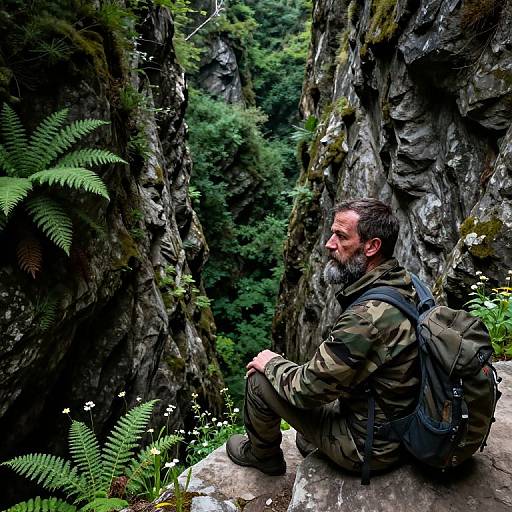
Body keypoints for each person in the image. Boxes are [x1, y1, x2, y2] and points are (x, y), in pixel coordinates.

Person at [226, 198, 420, 477]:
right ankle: (321, 438)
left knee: (259, 380)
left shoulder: (366, 318)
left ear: (372, 246)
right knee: (313, 394)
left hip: (370, 449)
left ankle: (263, 456)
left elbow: (307, 389)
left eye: (341, 236)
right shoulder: (403, 281)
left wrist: (270, 362)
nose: (329, 244)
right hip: (398, 424)